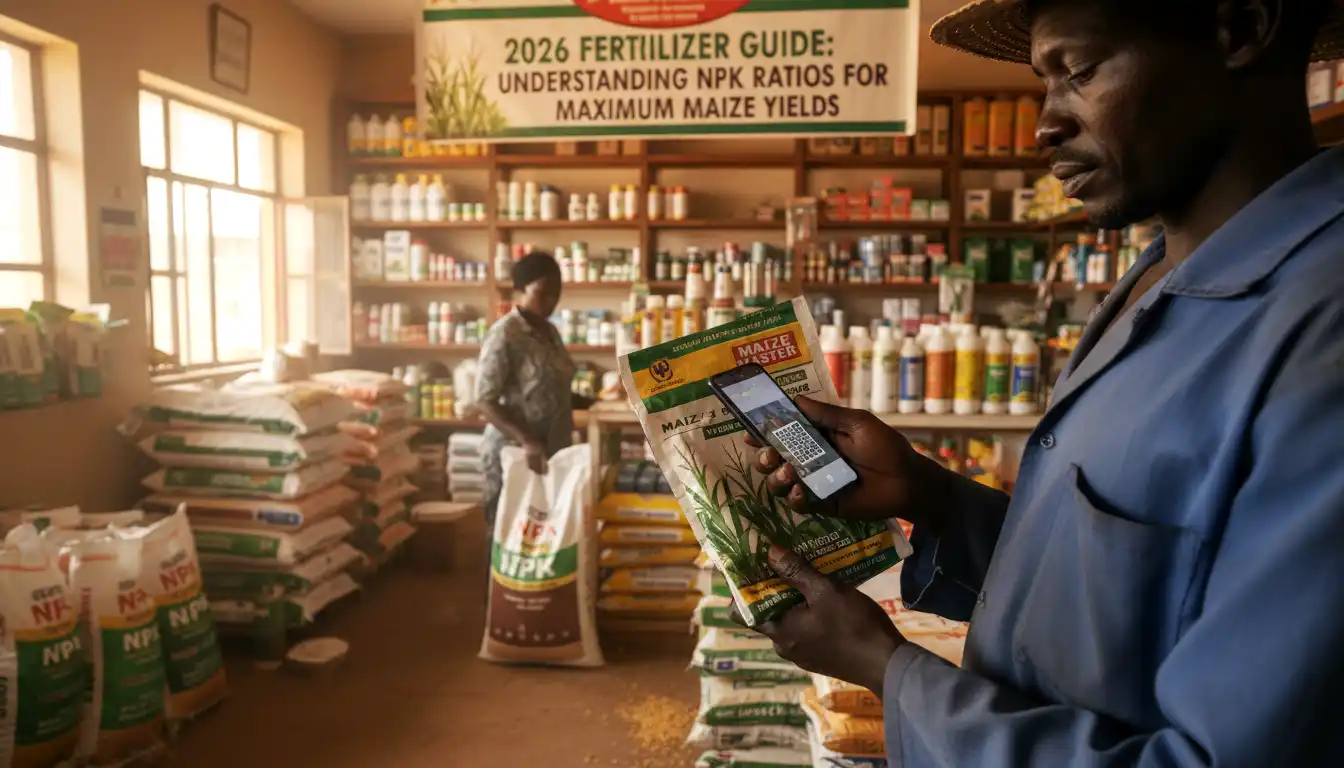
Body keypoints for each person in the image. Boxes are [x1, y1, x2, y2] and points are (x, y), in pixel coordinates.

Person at [742, 0, 1344, 764]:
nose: (1043, 126)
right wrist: (932, 499)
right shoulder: (1151, 282)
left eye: (1080, 71)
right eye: (1043, 82)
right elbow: (1128, 595)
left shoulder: (1321, 332)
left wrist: (887, 671)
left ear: (1239, 29)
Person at [474, 251, 576, 529]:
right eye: (542, 293)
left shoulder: (551, 333)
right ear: (520, 291)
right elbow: (485, 400)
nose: (550, 302)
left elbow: (553, 388)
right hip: (515, 455)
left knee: (541, 536)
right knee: (506, 534)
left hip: (550, 453)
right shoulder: (505, 334)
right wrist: (526, 440)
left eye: (556, 293)